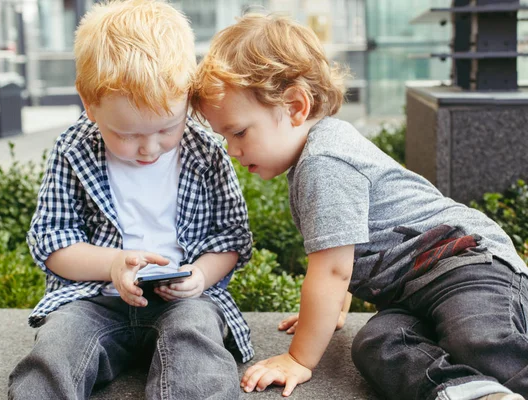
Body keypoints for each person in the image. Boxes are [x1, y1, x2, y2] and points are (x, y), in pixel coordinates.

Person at [190, 13, 528, 400]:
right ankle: (471, 393)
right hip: (413, 294)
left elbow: (332, 270)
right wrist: (329, 311)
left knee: (478, 340)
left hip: (465, 265)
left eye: (238, 132)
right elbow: (351, 254)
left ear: (297, 106)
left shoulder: (325, 162)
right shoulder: (313, 155)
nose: (232, 151)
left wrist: (299, 358)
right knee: (378, 343)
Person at [8, 1, 253, 399]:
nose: (149, 148)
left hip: (184, 301)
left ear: (187, 98)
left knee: (196, 343)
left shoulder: (205, 151)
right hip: (94, 300)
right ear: (89, 104)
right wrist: (112, 265)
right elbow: (53, 242)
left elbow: (230, 240)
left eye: (167, 127)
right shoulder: (74, 150)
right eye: (126, 134)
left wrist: (200, 277)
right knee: (55, 349)